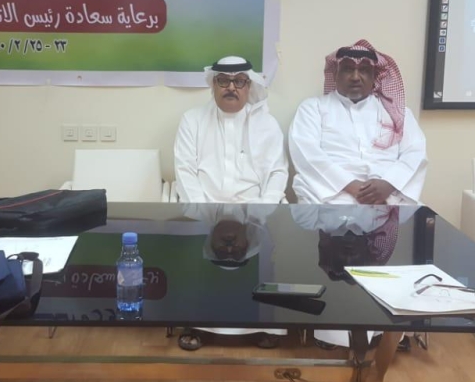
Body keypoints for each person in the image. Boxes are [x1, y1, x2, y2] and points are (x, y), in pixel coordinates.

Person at [289, 40, 427, 205]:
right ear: (336, 74)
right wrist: (352, 186)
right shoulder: (313, 108)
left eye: (364, 70)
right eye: (348, 69)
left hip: (390, 197)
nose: (355, 77)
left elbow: (415, 152)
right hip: (329, 196)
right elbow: (307, 154)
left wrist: (388, 184)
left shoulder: (397, 112)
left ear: (374, 76)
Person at [292, 204, 418, 350]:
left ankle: (377, 335)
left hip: (374, 230)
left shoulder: (379, 243)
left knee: (372, 286)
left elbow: (403, 203)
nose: (349, 253)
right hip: (335, 225)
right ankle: (335, 335)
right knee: (337, 287)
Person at [174, 56, 288, 204]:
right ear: (214, 84)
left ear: (249, 86)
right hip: (204, 209)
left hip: (255, 210)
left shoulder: (267, 124)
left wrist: (264, 208)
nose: (231, 88)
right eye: (223, 80)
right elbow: (185, 171)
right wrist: (201, 212)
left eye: (239, 81)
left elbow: (277, 172)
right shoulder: (192, 121)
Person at [179, 203, 286, 350]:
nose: (229, 246)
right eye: (236, 250)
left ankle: (263, 329)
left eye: (223, 251)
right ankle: (198, 328)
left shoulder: (193, 208)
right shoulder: (263, 210)